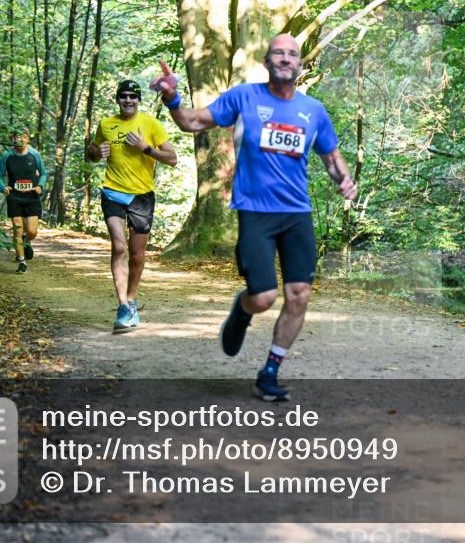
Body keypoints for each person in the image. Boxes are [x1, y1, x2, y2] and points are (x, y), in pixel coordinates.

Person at [153, 34, 357, 402]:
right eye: (278, 52)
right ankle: (242, 310)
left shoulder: (314, 111)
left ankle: (270, 372)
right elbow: (192, 123)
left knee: (299, 294)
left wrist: (344, 180)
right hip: (255, 213)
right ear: (266, 61)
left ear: (299, 65)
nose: (285, 58)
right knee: (263, 297)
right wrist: (172, 98)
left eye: (292, 54)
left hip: (297, 213)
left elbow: (331, 157)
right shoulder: (244, 97)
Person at [87, 79, 177, 334]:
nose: (128, 100)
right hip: (113, 192)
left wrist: (146, 148)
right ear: (118, 99)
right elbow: (93, 153)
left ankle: (132, 298)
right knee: (118, 245)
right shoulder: (106, 124)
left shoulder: (151, 125)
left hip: (142, 196)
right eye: (123, 96)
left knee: (137, 254)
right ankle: (123, 306)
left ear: (139, 100)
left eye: (132, 97)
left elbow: (172, 159)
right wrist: (96, 152)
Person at [0, 126, 46, 273]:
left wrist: (40, 186)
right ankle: (21, 262)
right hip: (14, 197)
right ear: (13, 139)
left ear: (28, 139)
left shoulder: (34, 154)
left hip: (31, 197)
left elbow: (43, 173)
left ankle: (27, 240)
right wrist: (2, 187)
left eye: (24, 136)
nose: (22, 139)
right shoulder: (7, 156)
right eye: (18, 136)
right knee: (17, 229)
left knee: (32, 231)